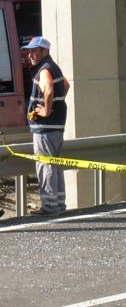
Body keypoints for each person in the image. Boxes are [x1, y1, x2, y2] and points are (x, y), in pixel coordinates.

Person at [22, 36, 69, 216]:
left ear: (45, 52)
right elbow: (65, 84)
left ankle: (49, 207)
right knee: (55, 165)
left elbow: (48, 88)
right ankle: (59, 204)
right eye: (29, 50)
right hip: (56, 127)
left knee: (45, 165)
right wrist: (56, 105)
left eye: (34, 51)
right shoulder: (53, 67)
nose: (30, 54)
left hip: (45, 128)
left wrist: (47, 111)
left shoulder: (44, 70)